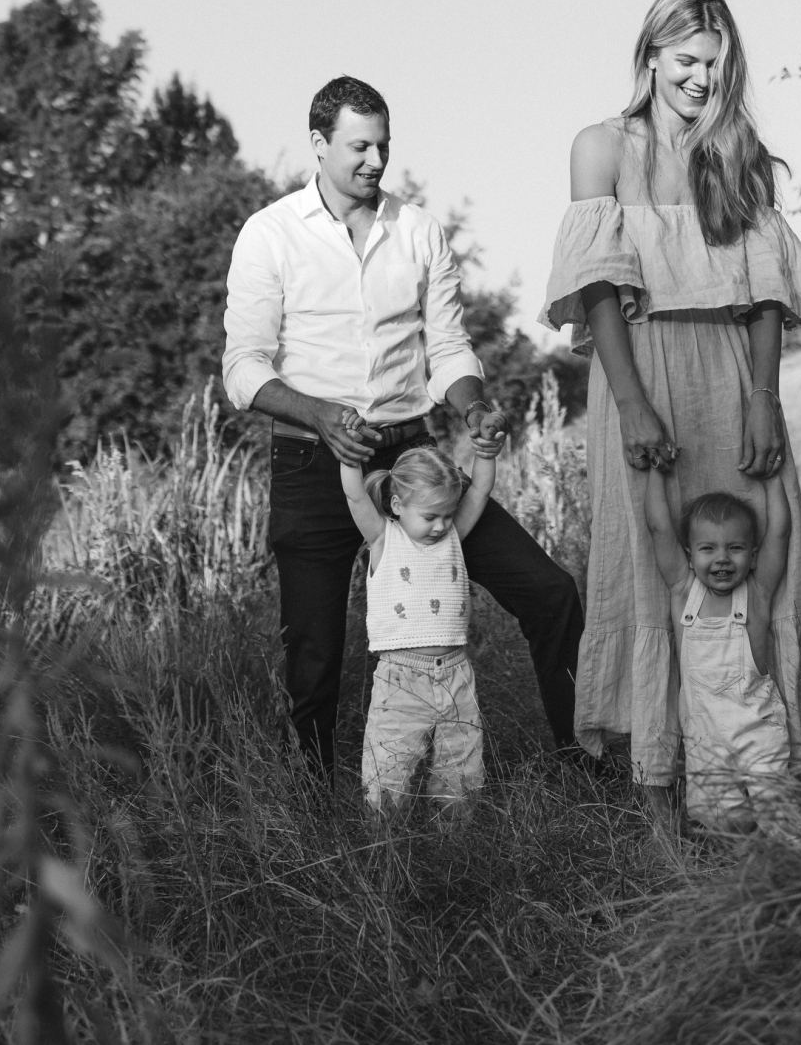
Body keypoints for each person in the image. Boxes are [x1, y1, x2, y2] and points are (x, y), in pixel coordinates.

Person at [224, 75, 584, 778]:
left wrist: (473, 404)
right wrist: (321, 416)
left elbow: (448, 349)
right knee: (315, 652)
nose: (375, 160)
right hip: (310, 461)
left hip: (414, 462)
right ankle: (316, 803)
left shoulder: (418, 230)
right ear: (319, 143)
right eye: (360, 146)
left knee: (549, 591)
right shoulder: (268, 235)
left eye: (383, 145)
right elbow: (243, 366)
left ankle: (584, 757)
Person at [540, 0, 801, 822]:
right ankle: (667, 786)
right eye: (687, 61)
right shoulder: (601, 147)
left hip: (731, 369)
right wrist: (632, 404)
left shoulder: (736, 155)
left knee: (762, 541)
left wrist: (765, 399)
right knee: (652, 558)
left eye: (716, 63)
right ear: (652, 56)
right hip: (642, 367)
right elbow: (599, 287)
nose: (701, 78)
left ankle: (764, 765)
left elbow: (767, 296)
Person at [644, 464, 801, 839]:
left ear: (752, 556)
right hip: (704, 734)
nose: (722, 558)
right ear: (689, 556)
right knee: (721, 819)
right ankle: (743, 868)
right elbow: (659, 528)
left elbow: (780, 533)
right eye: (708, 548)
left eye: (735, 548)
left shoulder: (758, 592)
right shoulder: (683, 592)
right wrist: (656, 474)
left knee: (777, 808)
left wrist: (772, 482)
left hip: (757, 727)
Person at [339, 444, 494, 814]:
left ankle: (455, 847)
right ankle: (384, 847)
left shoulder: (452, 536)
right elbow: (354, 493)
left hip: (457, 674)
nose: (441, 525)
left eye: (447, 514)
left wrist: (486, 451)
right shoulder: (382, 538)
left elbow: (481, 490)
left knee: (462, 769)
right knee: (388, 770)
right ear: (396, 506)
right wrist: (348, 456)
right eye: (430, 516)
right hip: (402, 678)